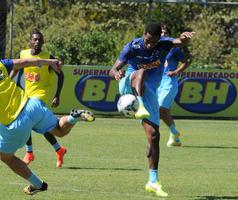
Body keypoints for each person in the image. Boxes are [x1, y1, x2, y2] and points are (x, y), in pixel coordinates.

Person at [109, 22, 194, 197]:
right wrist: (116, 73)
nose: (149, 45)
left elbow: (179, 42)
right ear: (144, 34)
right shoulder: (132, 46)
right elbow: (113, 69)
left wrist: (184, 39)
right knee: (141, 72)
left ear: (159, 39)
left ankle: (152, 181)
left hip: (149, 92)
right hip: (129, 84)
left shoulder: (164, 43)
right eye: (148, 40)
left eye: (153, 42)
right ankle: (139, 105)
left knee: (154, 136)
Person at [0, 58, 95, 195]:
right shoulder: (1, 64)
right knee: (60, 130)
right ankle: (73, 117)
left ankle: (38, 184)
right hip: (32, 105)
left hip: (16, 122)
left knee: (6, 156)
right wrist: (50, 62)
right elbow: (26, 61)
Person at [10, 30, 67, 168]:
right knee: (41, 125)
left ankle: (29, 153)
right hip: (27, 95)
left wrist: (57, 95)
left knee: (26, 120)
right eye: (35, 40)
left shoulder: (48, 57)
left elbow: (61, 75)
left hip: (41, 96)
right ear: (30, 41)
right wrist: (9, 81)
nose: (37, 42)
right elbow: (16, 68)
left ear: (43, 42)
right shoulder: (23, 54)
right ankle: (59, 150)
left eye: (40, 40)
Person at [158, 25, 190, 147]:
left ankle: (166, 133)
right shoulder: (154, 48)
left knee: (160, 108)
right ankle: (174, 136)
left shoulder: (174, 48)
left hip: (169, 83)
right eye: (161, 32)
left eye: (165, 32)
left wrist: (176, 72)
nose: (163, 34)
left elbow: (186, 62)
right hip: (157, 83)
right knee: (165, 112)